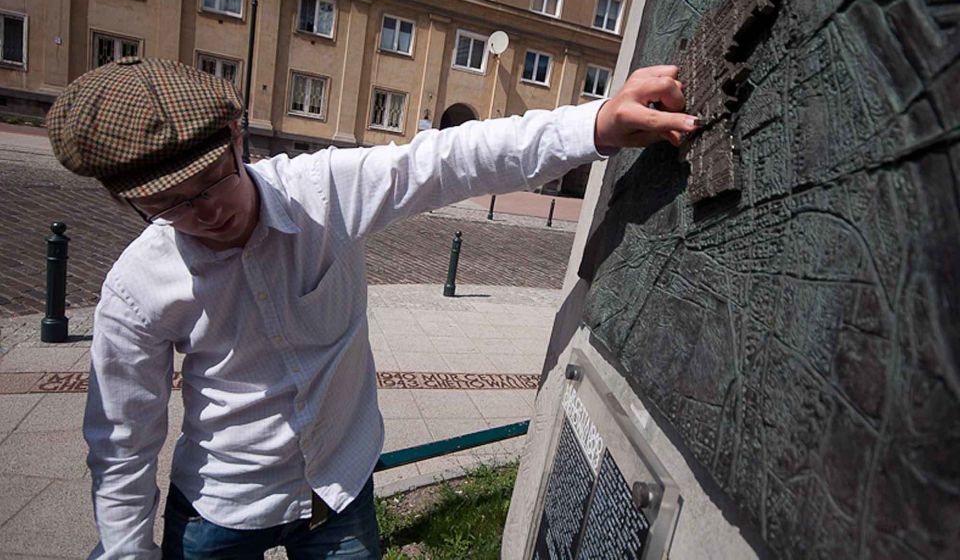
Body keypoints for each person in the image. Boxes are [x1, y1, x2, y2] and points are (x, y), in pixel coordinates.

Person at [45, 57, 696, 559]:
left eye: (214, 179)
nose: (206, 210)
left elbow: (450, 160)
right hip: (220, 506)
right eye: (172, 204)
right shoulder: (137, 288)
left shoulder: (320, 191)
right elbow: (123, 442)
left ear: (235, 136)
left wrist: (596, 124)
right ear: (131, 202)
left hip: (337, 486)